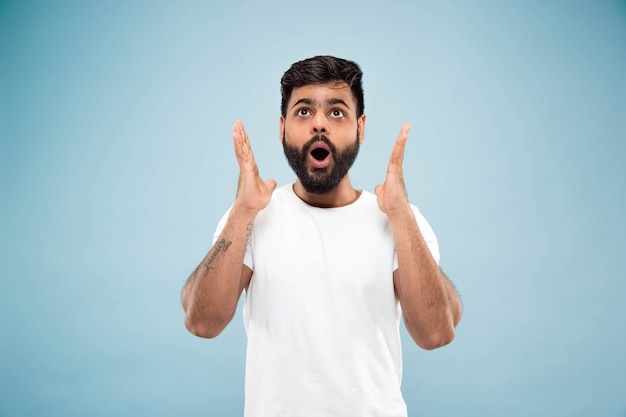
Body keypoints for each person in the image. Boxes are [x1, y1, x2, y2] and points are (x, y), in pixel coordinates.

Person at [181, 55, 462, 417]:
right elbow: (202, 321)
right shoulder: (252, 216)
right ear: (282, 127)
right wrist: (242, 212)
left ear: (361, 127)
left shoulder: (398, 219)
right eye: (303, 112)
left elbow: (435, 333)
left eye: (336, 112)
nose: (318, 125)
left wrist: (400, 215)